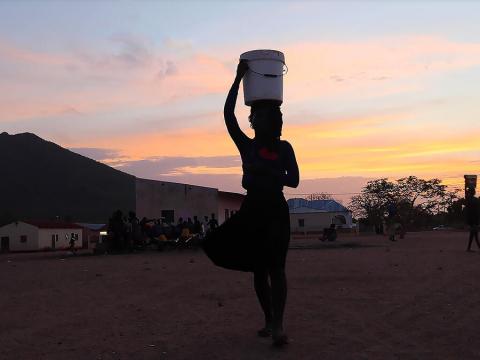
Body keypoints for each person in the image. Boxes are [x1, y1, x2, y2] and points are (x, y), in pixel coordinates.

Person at [202, 60, 299, 347]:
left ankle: (279, 325)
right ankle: (269, 320)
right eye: (256, 116)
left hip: (276, 212)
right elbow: (228, 115)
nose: (258, 119)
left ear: (274, 122)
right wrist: (237, 79)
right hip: (253, 212)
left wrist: (261, 173)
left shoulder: (284, 149)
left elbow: (293, 180)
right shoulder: (248, 146)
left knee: (277, 269)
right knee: (259, 269)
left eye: (265, 115)